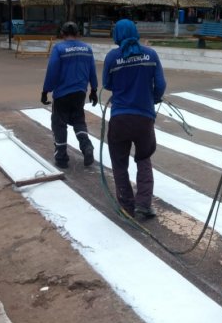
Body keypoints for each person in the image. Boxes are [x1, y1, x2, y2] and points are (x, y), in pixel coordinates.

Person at [102, 19, 166, 218]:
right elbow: (161, 85)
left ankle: (127, 206)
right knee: (144, 159)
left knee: (119, 164)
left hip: (120, 118)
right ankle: (144, 205)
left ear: (117, 35)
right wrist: (151, 99)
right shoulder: (151, 54)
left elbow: (107, 84)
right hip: (144, 118)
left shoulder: (112, 57)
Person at [41, 21, 98, 169]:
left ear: (62, 34)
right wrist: (94, 90)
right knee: (78, 120)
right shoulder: (87, 49)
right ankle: (86, 146)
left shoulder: (59, 48)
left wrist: (46, 90)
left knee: (59, 124)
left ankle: (61, 158)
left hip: (62, 93)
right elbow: (92, 70)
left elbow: (52, 71)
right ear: (78, 34)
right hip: (80, 93)